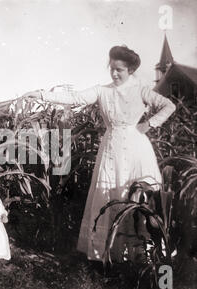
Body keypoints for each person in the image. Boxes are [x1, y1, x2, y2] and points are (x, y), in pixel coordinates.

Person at [23, 45, 176, 262]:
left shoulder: (140, 89)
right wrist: (39, 94)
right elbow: (74, 97)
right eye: (112, 68)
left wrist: (149, 124)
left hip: (136, 150)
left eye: (119, 70)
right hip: (112, 149)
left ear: (130, 70)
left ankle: (142, 255)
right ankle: (109, 253)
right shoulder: (102, 91)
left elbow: (169, 106)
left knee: (138, 193)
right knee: (109, 194)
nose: (114, 73)